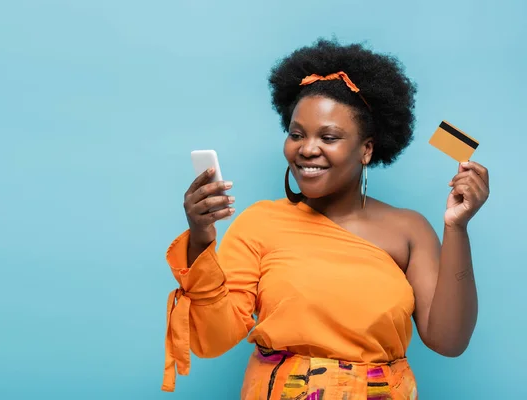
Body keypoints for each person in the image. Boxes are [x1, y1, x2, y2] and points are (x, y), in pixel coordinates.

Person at [161, 39, 490, 399]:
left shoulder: (410, 230)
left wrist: (457, 227)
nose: (307, 148)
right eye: (296, 134)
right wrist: (199, 239)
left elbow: (449, 340)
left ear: (366, 149)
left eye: (328, 137)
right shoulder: (260, 223)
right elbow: (213, 339)